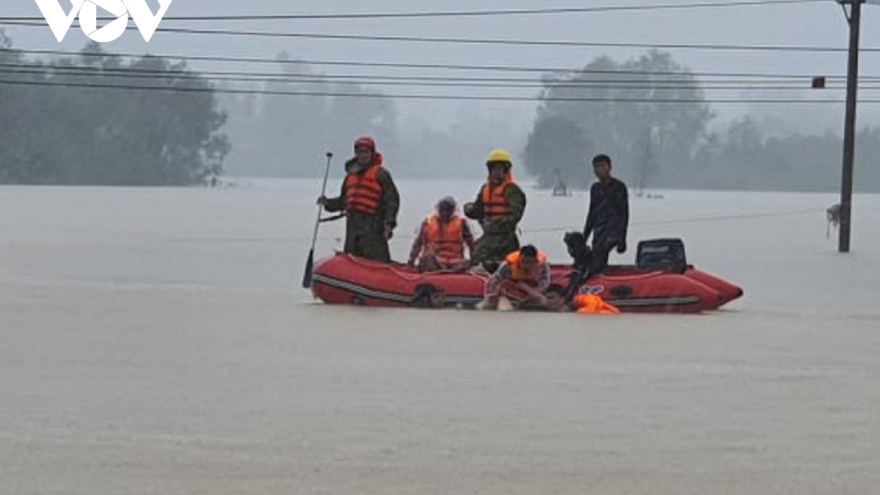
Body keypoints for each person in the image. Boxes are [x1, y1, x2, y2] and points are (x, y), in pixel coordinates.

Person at [318, 136, 400, 263]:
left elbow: (391, 201)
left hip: (373, 226)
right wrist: (327, 202)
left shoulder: (381, 174)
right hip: (353, 226)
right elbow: (344, 201)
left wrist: (389, 224)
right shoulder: (350, 176)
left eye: (366, 152)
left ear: (372, 153)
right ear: (356, 154)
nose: (363, 155)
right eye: (360, 152)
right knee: (353, 259)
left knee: (376, 260)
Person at [464, 149, 527, 271]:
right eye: (494, 169)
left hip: (506, 237)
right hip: (489, 235)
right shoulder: (485, 189)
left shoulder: (512, 190)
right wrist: (469, 210)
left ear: (506, 170)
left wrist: (496, 224)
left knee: (486, 255)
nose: (496, 172)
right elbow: (479, 211)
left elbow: (515, 216)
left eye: (499, 169)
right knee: (476, 252)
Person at [583, 154, 629, 276]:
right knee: (594, 257)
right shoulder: (595, 188)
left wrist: (622, 238)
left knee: (600, 252)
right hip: (599, 230)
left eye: (602, 166)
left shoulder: (618, 187)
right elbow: (592, 212)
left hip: (613, 230)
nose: (598, 170)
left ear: (609, 168)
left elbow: (624, 213)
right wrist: (585, 235)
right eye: (596, 167)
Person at [408, 196, 475, 272]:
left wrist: (474, 261)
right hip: (434, 261)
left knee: (465, 264)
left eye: (448, 210)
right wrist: (411, 261)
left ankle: (448, 272)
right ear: (438, 209)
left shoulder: (462, 223)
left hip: (456, 262)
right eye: (443, 210)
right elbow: (418, 243)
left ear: (453, 210)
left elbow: (471, 244)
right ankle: (443, 272)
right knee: (428, 257)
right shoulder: (428, 222)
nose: (445, 213)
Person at [482, 245, 556, 311]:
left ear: (535, 261)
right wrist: (491, 298)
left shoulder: (542, 266)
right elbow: (493, 281)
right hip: (510, 288)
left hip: (531, 289)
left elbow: (545, 283)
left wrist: (531, 292)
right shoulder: (508, 266)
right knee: (502, 306)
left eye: (529, 262)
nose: (525, 266)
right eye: (523, 261)